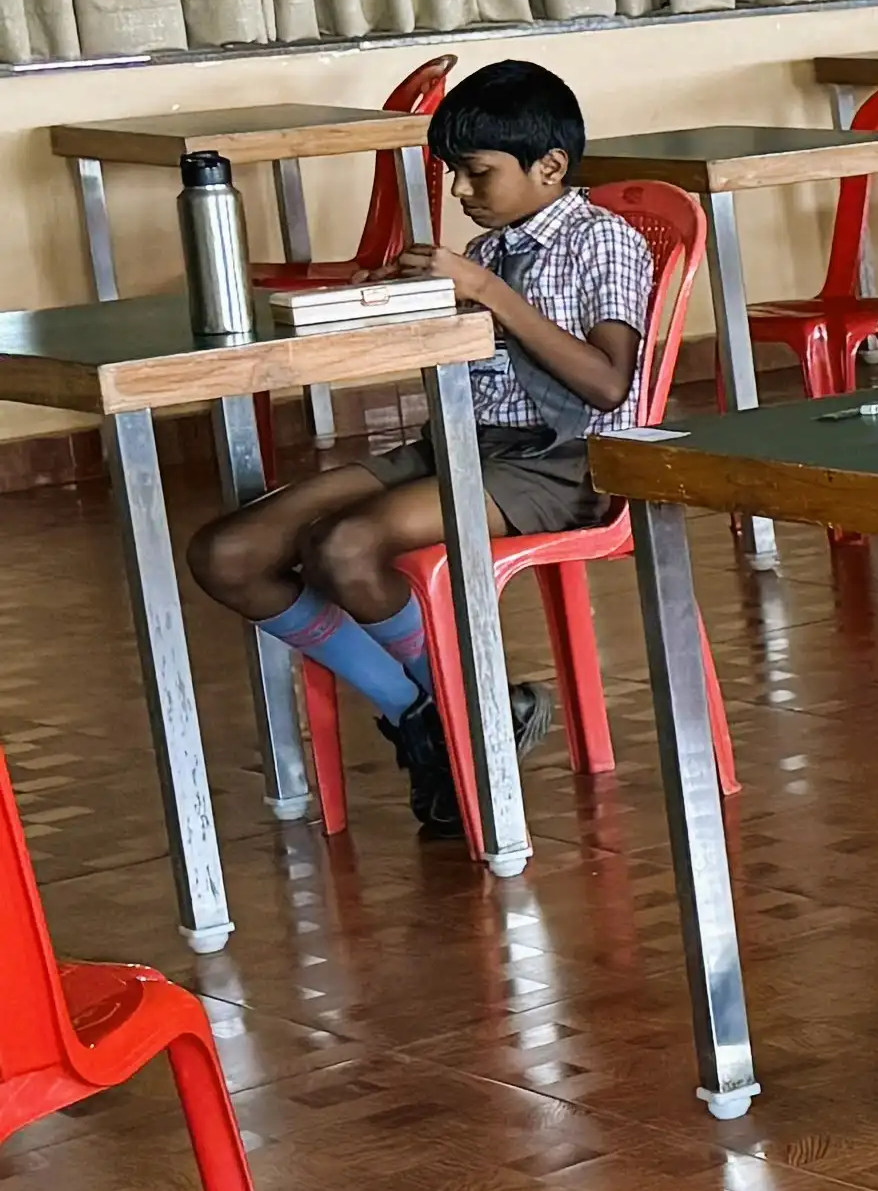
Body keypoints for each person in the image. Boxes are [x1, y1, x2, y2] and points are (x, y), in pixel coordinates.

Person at [184, 58, 646, 843]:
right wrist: (384, 301)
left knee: (345, 544)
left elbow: (606, 384)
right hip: (459, 441)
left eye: (476, 173)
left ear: (551, 166)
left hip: (562, 460)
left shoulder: (601, 241)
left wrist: (488, 293)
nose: (463, 193)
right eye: (456, 175)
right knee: (226, 553)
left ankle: (463, 720)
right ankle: (444, 713)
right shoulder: (494, 247)